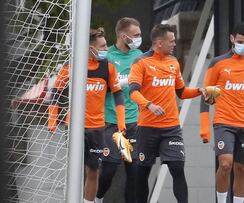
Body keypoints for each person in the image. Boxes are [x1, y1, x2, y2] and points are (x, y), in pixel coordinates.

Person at [128, 24, 208, 203]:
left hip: (171, 128)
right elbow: (132, 92)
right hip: (147, 128)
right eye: (171, 41)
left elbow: (181, 92)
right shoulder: (141, 62)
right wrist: (149, 105)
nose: (174, 44)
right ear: (159, 42)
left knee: (177, 167)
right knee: (142, 172)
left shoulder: (173, 63)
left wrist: (199, 91)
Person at [48, 27, 126, 203]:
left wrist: (121, 121)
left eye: (106, 45)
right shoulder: (71, 68)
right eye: (103, 46)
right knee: (74, 169)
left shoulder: (108, 67)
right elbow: (56, 93)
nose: (107, 49)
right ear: (90, 48)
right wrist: (52, 119)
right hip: (74, 126)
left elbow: (118, 93)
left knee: (93, 170)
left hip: (97, 128)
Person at [199, 22, 244, 203]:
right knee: (225, 164)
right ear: (232, 39)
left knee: (242, 169)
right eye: (240, 41)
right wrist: (204, 129)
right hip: (224, 122)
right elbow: (205, 96)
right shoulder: (218, 63)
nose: (243, 45)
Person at [95, 17, 143, 203]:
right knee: (109, 169)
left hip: (132, 123)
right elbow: (98, 86)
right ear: (124, 36)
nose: (140, 38)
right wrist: (119, 82)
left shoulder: (139, 56)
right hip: (111, 123)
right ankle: (97, 198)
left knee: (134, 170)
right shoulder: (107, 57)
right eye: (136, 35)